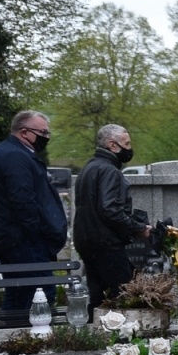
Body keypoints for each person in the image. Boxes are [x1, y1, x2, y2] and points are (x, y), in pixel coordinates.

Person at [0, 110, 68, 310]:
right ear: (24, 132)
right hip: (24, 242)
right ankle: (30, 339)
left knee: (18, 296)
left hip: (17, 240)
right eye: (43, 132)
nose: (46, 138)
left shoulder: (11, 153)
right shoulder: (15, 156)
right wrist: (37, 234)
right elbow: (23, 201)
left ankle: (11, 339)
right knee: (38, 297)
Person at [73, 124, 151, 308]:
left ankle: (96, 333)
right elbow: (110, 209)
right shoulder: (109, 171)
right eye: (127, 143)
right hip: (107, 244)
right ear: (113, 145)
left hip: (87, 240)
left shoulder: (89, 168)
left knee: (97, 297)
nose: (130, 148)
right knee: (123, 296)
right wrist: (138, 228)